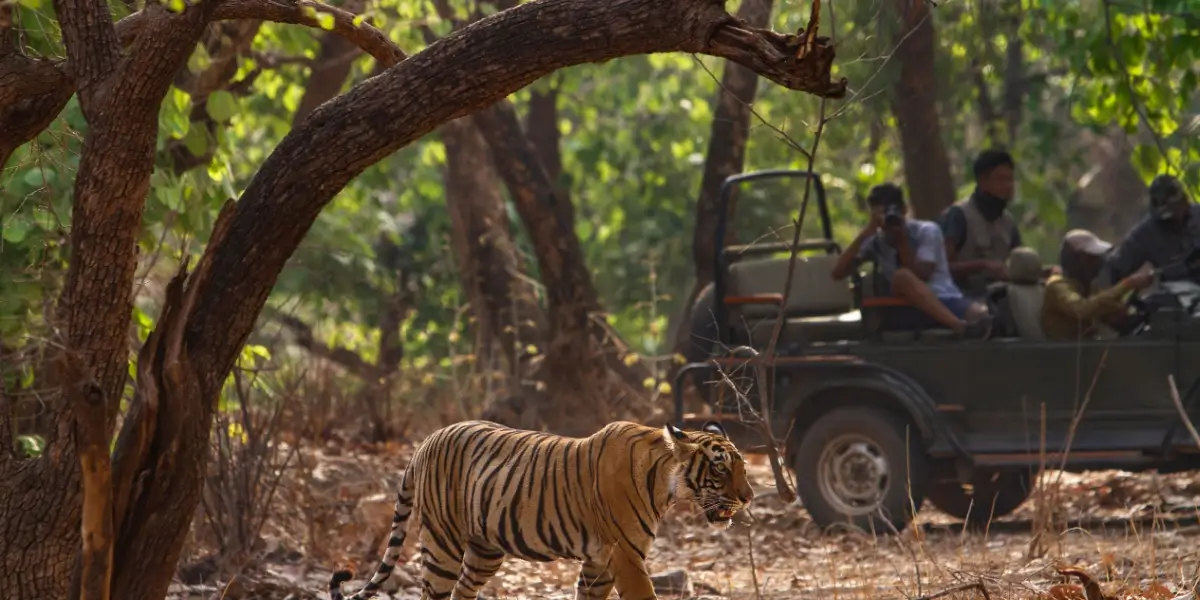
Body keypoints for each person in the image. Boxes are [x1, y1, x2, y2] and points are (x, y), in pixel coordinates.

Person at [831, 183, 991, 337]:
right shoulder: (875, 241)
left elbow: (923, 275)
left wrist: (902, 242)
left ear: (904, 210)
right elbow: (838, 273)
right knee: (902, 276)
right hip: (905, 308)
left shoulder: (926, 231)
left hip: (943, 297)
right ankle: (959, 326)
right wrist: (867, 231)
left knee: (981, 315)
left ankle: (978, 325)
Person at [939, 149, 1024, 298]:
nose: (1009, 185)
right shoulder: (959, 215)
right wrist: (982, 265)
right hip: (959, 296)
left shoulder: (1009, 223)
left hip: (1000, 296)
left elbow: (1019, 264)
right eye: (1001, 179)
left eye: (1010, 179)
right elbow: (941, 266)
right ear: (982, 181)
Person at [1042, 229, 1154, 341]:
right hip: (1063, 354)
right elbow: (1082, 309)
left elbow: (1099, 306)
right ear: (1075, 259)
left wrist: (1118, 311)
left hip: (1085, 350)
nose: (1098, 262)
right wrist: (1127, 284)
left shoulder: (1083, 285)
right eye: (1091, 258)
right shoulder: (1057, 285)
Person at [1106, 173, 1200, 285]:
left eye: (1173, 212)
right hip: (1178, 292)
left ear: (1184, 201)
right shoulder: (1146, 233)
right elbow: (1115, 267)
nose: (1171, 222)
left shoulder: (1197, 214)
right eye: (1166, 219)